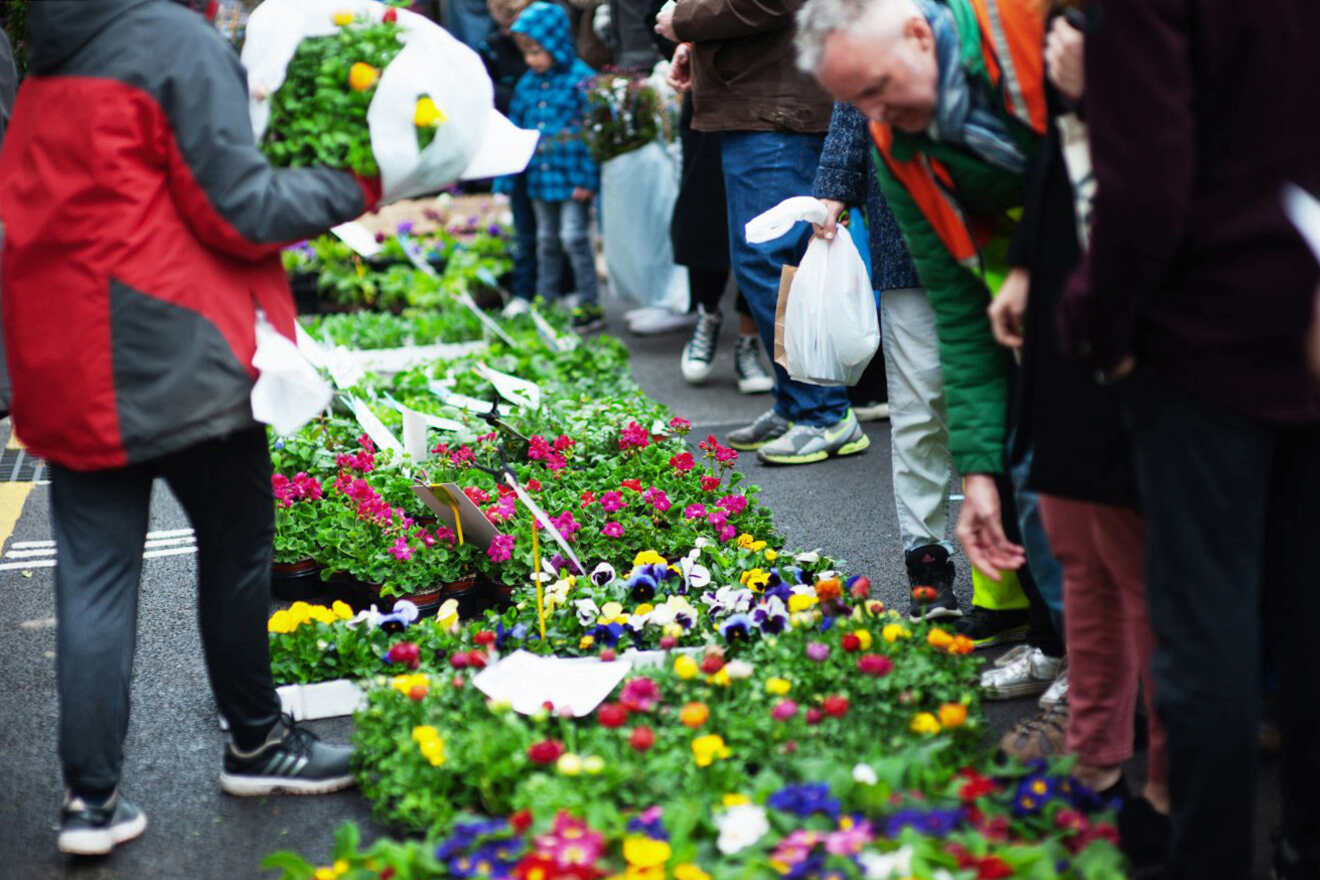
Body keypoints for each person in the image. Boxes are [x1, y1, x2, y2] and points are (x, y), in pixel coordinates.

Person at [0, 0, 381, 856]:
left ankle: (89, 802)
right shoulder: (175, 41)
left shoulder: (50, 55)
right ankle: (257, 739)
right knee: (238, 547)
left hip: (68, 356)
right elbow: (240, 208)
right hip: (175, 347)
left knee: (93, 579)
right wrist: (361, 181)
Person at [1057, 0, 1320, 876]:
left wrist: (1098, 326)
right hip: (1307, 311)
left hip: (1205, 334)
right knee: (1307, 612)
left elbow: (1147, 181)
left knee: (1207, 632)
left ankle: (1207, 858)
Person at [796, 0, 1066, 652]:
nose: (879, 115)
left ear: (922, 33)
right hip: (987, 280)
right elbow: (964, 327)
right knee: (994, 450)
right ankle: (1044, 638)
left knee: (1077, 478)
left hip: (1106, 287)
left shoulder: (1040, 39)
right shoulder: (894, 138)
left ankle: (1080, 662)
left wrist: (1034, 263)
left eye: (882, 94)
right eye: (867, 103)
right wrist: (975, 478)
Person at [982, 15, 1168, 866]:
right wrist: (1024, 264)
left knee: (1147, 576)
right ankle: (1095, 764)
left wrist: (1105, 88)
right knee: (1079, 551)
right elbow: (1059, 150)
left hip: (1151, 308)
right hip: (1068, 298)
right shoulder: (1065, 25)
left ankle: (1168, 789)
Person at [657, 0, 868, 466]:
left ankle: (823, 414)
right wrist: (699, 43)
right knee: (770, 260)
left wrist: (685, 20)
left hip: (778, 107)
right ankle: (796, 405)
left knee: (773, 260)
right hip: (767, 100)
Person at [509, 1, 605, 331]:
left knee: (574, 237)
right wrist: (507, 177)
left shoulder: (581, 80)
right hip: (540, 177)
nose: (530, 60)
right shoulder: (527, 85)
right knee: (545, 240)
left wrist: (588, 179)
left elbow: (594, 135)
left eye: (537, 51)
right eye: (527, 53)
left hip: (571, 177)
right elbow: (516, 131)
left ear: (555, 43)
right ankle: (545, 301)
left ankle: (589, 304)